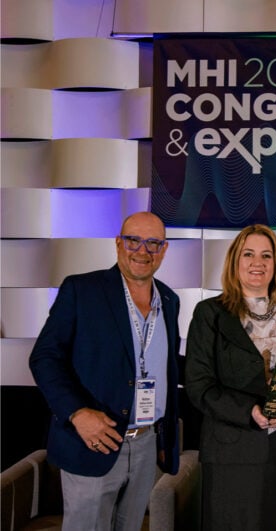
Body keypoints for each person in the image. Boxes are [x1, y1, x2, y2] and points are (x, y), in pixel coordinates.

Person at [29, 211, 181, 531]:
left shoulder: (169, 299)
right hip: (93, 441)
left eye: (153, 243)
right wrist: (77, 413)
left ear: (164, 250)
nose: (143, 251)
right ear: (118, 243)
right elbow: (44, 357)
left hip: (145, 442)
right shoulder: (82, 290)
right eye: (133, 241)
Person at [184, 224, 276, 531]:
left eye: (267, 255)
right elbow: (198, 385)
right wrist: (249, 412)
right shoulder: (210, 313)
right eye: (249, 254)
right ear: (234, 261)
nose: (258, 262)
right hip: (232, 448)